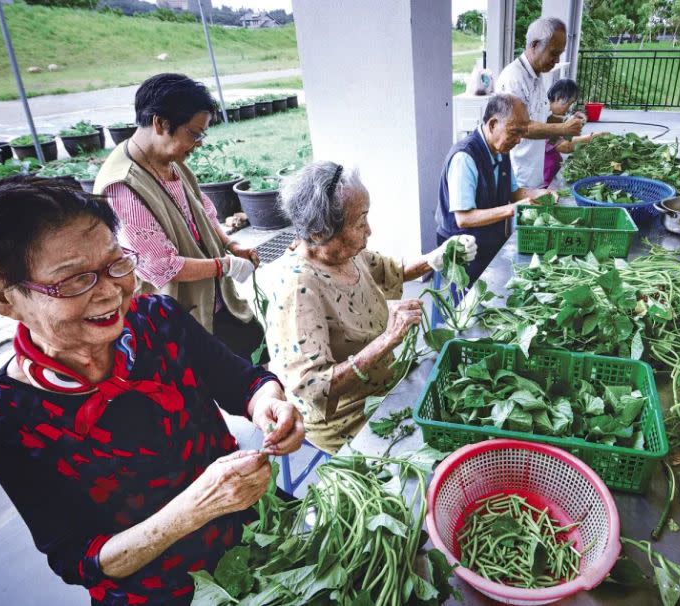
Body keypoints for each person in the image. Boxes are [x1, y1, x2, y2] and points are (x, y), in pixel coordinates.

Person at [0, 176, 305, 605]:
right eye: (75, 280)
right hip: (163, 589)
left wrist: (270, 404)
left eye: (117, 263)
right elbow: (80, 559)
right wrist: (197, 507)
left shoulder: (158, 319)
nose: (111, 291)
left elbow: (243, 382)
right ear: (0, 296)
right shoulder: (6, 416)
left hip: (258, 529)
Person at [258, 162, 477, 454]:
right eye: (360, 223)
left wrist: (437, 256)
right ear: (323, 231)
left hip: (384, 384)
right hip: (346, 417)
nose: (369, 230)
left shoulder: (345, 254)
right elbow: (311, 387)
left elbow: (389, 269)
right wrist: (389, 339)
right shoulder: (298, 289)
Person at [94, 73, 266, 362]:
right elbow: (162, 266)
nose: (198, 143)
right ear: (160, 123)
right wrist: (225, 265)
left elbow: (205, 211)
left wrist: (230, 246)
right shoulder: (122, 186)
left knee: (257, 370)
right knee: (212, 384)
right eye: (194, 133)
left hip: (217, 302)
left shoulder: (172, 160)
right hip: (178, 317)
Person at [436, 93, 551, 283]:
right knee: (465, 304)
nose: (519, 140)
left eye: (523, 133)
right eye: (515, 132)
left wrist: (541, 194)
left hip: (487, 245)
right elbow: (464, 218)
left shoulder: (500, 149)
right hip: (461, 252)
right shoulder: (464, 157)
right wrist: (512, 209)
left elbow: (514, 192)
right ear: (492, 124)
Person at [497, 17, 585, 189]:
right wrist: (563, 129)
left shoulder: (537, 77)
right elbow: (519, 127)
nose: (557, 60)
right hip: (517, 177)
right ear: (534, 45)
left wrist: (566, 121)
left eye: (559, 54)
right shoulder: (513, 79)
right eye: (554, 53)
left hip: (534, 173)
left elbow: (542, 119)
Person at [543, 78, 603, 188]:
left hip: (552, 171)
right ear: (559, 98)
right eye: (569, 103)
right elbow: (565, 146)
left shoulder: (553, 116)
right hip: (542, 177)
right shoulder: (543, 118)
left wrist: (576, 123)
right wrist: (593, 138)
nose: (569, 108)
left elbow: (559, 138)